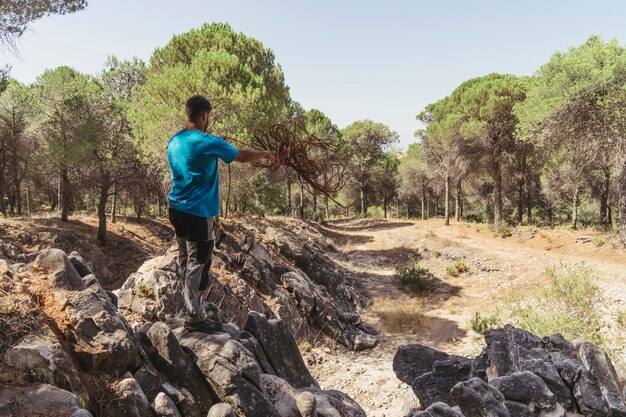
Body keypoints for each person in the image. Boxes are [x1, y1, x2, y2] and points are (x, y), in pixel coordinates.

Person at [167, 95, 276, 333]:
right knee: (199, 263)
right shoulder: (207, 142)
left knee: (186, 260)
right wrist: (266, 153)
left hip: (175, 209)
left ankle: (190, 308)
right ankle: (195, 317)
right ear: (205, 116)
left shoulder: (175, 140)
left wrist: (216, 143)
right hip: (198, 212)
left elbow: (196, 155)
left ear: (189, 114)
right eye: (209, 117)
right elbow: (244, 157)